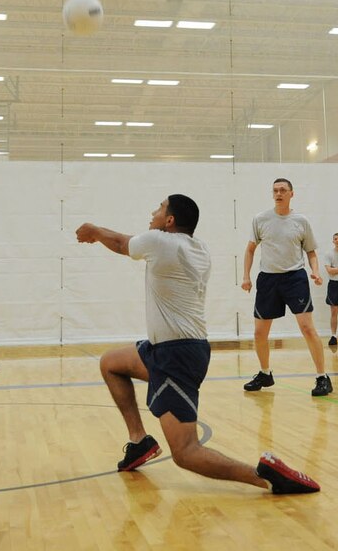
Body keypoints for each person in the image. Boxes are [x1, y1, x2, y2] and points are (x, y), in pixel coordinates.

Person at [76, 194, 320, 494]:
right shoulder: (198, 248)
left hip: (175, 355)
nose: (152, 212)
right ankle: (139, 441)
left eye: (159, 208)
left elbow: (120, 243)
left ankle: (266, 477)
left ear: (170, 220)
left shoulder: (160, 241)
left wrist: (94, 230)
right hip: (168, 348)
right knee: (111, 364)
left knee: (186, 453)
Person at [241, 178, 331, 397]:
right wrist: (246, 276)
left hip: (295, 279)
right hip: (268, 279)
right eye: (275, 190)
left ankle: (322, 377)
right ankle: (265, 373)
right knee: (259, 332)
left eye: (283, 190)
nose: (278, 193)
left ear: (292, 194)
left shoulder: (301, 221)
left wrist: (316, 271)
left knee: (307, 328)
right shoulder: (260, 219)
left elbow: (311, 252)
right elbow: (251, 249)